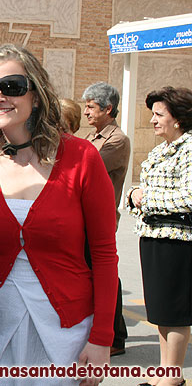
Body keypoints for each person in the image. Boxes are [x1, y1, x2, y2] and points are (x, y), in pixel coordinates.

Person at [0, 44, 118, 386]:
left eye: (12, 86)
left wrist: (102, 337)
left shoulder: (82, 157)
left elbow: (105, 254)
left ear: (36, 93)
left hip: (67, 328)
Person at [127, 87, 192, 386]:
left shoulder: (189, 149)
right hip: (153, 237)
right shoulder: (159, 151)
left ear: (177, 119)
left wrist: (146, 198)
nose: (152, 120)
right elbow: (140, 191)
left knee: (176, 311)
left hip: (178, 242)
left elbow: (189, 197)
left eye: (158, 115)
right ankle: (166, 374)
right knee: (161, 311)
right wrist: (133, 196)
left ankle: (172, 376)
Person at [82, 82, 131, 357]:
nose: (86, 112)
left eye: (91, 106)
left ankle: (116, 336)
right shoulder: (92, 136)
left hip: (101, 220)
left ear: (108, 109)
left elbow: (87, 166)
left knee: (106, 276)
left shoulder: (117, 140)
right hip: (83, 217)